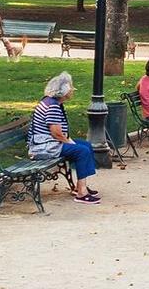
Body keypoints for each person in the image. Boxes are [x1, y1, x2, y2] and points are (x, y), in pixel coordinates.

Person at [27, 73, 98, 202]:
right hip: (44, 147)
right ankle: (81, 193)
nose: (72, 91)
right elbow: (56, 134)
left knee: (85, 145)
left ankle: (80, 186)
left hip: (50, 143)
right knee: (81, 151)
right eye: (71, 89)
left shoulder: (53, 102)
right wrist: (71, 143)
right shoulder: (52, 106)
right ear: (64, 92)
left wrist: (70, 142)